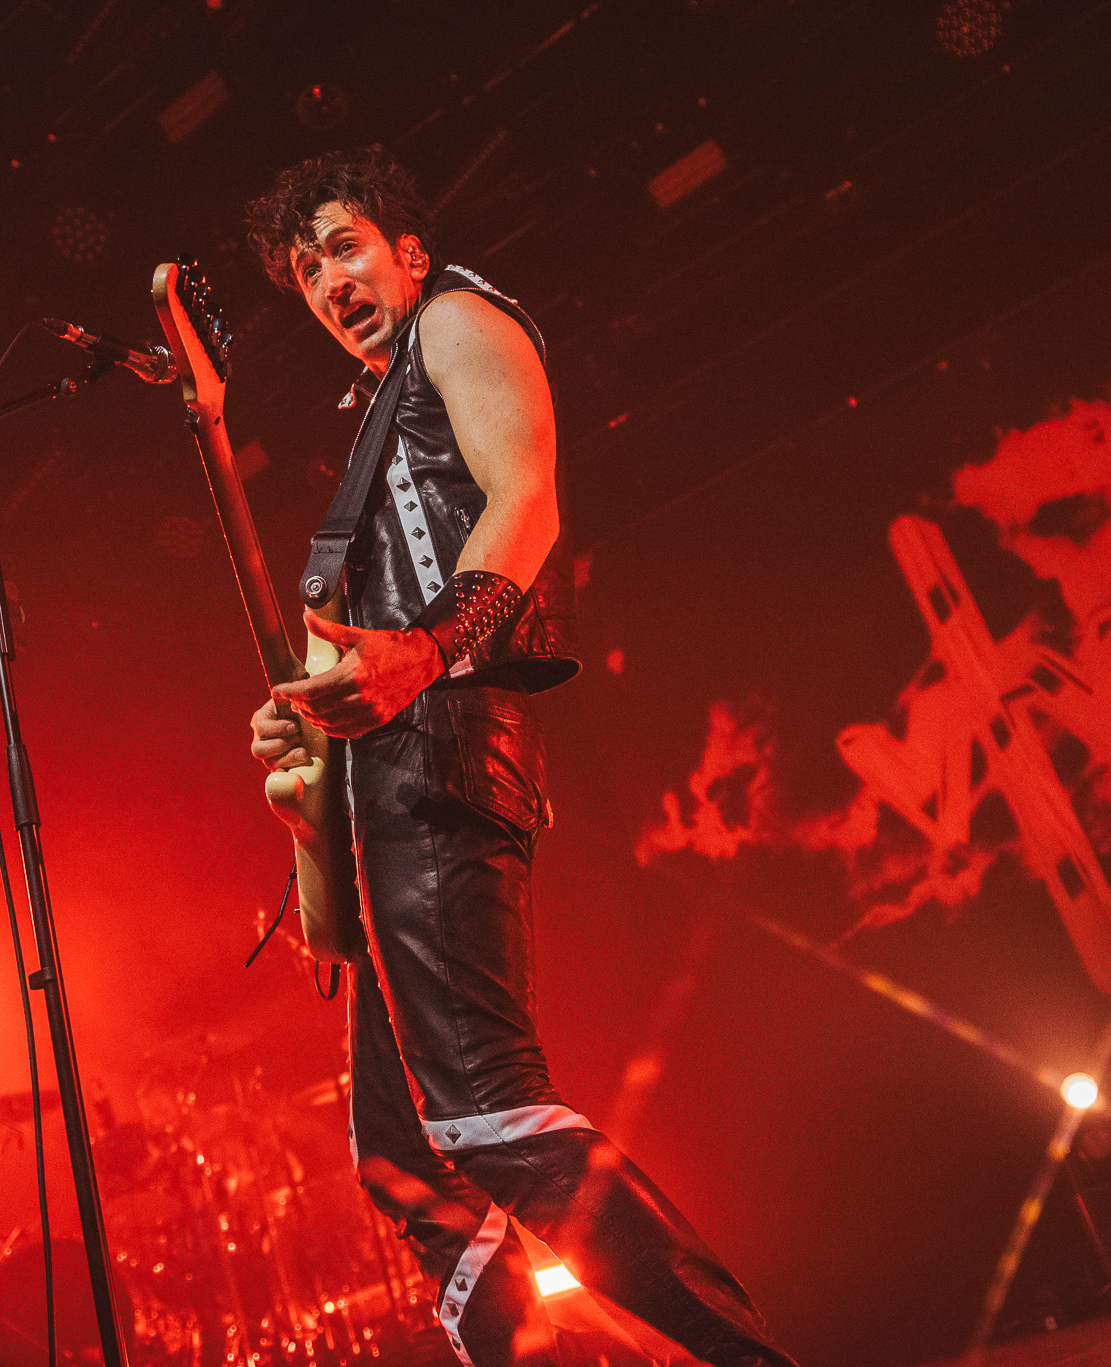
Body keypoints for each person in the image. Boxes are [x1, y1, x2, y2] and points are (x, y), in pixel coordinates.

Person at [244, 148, 798, 1367]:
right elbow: (352, 672)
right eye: (304, 268)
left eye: (342, 246)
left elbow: (526, 500)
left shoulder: (455, 317)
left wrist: (423, 648)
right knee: (406, 1161)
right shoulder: (371, 423)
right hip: (388, 769)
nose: (326, 280)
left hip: (443, 742)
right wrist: (305, 761)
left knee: (485, 1111)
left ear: (406, 250)